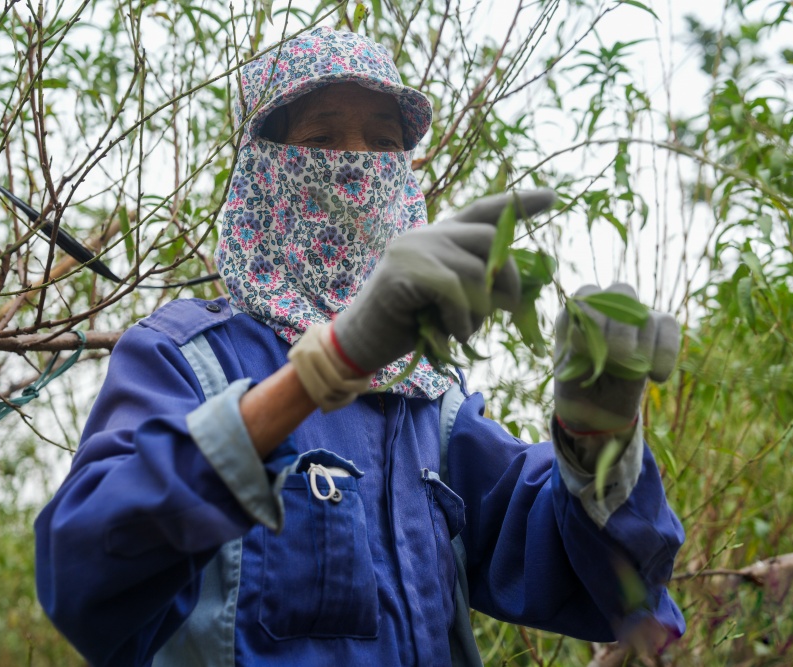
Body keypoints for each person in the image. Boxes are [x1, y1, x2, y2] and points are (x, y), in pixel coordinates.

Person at [35, 26, 685, 667]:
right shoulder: (188, 357)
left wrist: (598, 435)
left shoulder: (430, 400)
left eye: (383, 142)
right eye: (321, 137)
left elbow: (603, 581)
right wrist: (325, 368)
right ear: (265, 168)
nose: (356, 165)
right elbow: (85, 569)